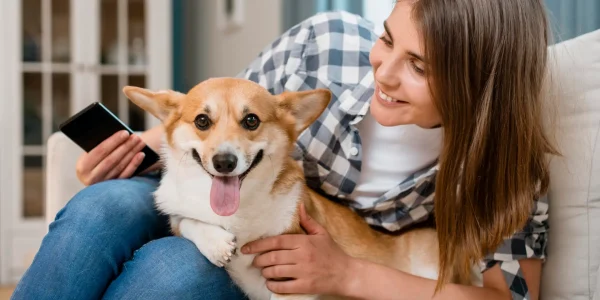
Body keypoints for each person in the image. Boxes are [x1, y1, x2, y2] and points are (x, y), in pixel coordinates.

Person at [12, 0, 557, 299]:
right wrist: (129, 151)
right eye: (388, 38)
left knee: (171, 271)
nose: (383, 73)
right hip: (205, 196)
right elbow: (225, 121)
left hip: (274, 242)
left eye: (420, 67)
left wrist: (347, 274)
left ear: (478, 84)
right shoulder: (325, 46)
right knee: (98, 208)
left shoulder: (504, 169)